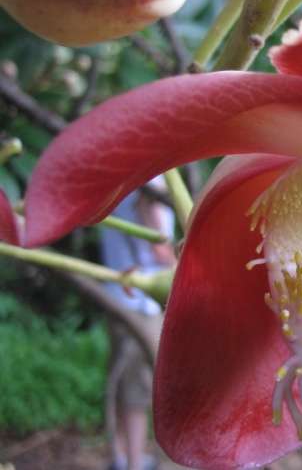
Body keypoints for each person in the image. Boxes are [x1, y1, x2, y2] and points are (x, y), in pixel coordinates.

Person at [100, 185, 175, 470]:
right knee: (138, 388)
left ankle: (120, 455)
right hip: (141, 305)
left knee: (122, 380)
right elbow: (159, 250)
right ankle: (132, 463)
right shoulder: (152, 184)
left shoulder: (118, 180)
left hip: (116, 296)